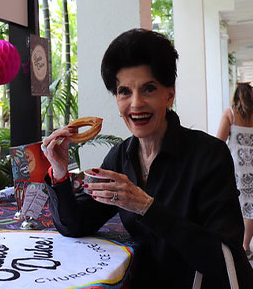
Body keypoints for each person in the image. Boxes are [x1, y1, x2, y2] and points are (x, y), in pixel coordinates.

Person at [42, 29, 253, 288]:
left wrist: (147, 207)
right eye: (124, 92)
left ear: (170, 94)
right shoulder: (121, 157)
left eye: (149, 89)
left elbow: (225, 259)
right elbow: (75, 224)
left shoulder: (209, 155)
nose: (136, 103)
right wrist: (60, 171)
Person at [217, 83, 253, 259]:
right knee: (251, 206)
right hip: (252, 167)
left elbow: (219, 142)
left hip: (236, 168)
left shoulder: (230, 114)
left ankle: (238, 246)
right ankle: (246, 246)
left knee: (236, 204)